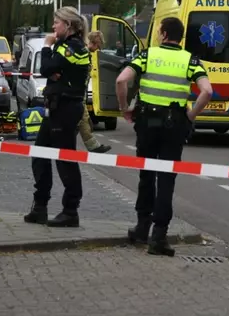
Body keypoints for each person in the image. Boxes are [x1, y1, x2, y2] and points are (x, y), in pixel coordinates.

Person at [115, 17, 212, 256]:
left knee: (146, 175)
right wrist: (190, 116)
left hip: (147, 122)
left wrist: (124, 107)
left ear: (163, 33)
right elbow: (207, 91)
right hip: (174, 124)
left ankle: (141, 229)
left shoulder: (148, 55)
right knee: (166, 178)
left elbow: (121, 80)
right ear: (179, 37)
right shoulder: (191, 60)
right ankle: (159, 236)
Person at [24, 6, 90, 228]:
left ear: (68, 25)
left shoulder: (74, 48)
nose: (53, 27)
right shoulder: (63, 47)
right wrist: (52, 65)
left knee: (65, 160)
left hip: (66, 109)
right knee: (40, 154)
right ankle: (40, 206)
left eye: (57, 22)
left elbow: (46, 68)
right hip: (54, 108)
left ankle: (71, 210)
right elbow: (50, 69)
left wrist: (46, 47)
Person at [79, 30, 111, 154]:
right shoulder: (84, 53)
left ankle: (93, 146)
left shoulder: (85, 52)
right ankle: (93, 147)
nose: (98, 49)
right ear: (94, 42)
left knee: (84, 121)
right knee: (83, 120)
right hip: (78, 94)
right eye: (98, 46)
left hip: (81, 94)